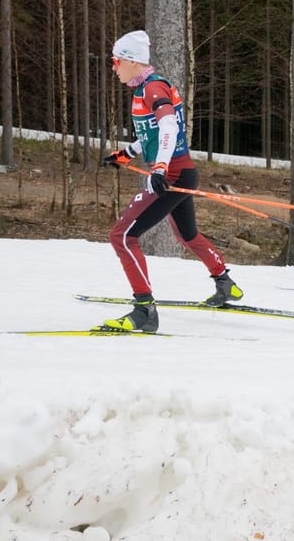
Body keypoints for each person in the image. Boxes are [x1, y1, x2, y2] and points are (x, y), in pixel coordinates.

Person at [99, 29, 242, 332]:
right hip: (183, 172)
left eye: (116, 61)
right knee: (187, 235)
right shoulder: (145, 89)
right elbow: (150, 135)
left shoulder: (152, 88)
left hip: (173, 173)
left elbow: (167, 126)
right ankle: (225, 283)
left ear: (132, 61)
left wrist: (160, 168)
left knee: (122, 236)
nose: (113, 68)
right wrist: (125, 154)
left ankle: (144, 310)